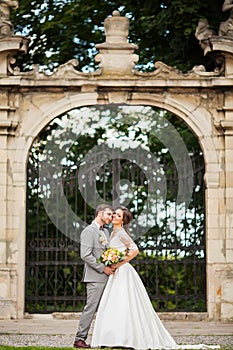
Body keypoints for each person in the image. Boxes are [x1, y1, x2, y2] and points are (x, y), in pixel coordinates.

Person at [91, 206, 219, 350]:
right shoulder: (113, 233)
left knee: (124, 302)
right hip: (116, 272)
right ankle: (112, 337)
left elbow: (134, 250)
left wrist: (119, 263)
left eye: (118, 215)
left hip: (123, 271)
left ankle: (125, 338)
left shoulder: (121, 233)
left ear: (122, 221)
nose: (114, 216)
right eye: (114, 214)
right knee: (114, 302)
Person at [73, 204, 114, 349]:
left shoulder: (106, 232)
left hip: (108, 276)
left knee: (108, 308)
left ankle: (106, 338)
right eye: (109, 214)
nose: (111, 217)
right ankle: (79, 339)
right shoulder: (88, 231)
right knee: (91, 308)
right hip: (95, 277)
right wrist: (103, 268)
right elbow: (85, 255)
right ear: (100, 213)